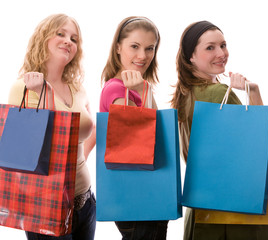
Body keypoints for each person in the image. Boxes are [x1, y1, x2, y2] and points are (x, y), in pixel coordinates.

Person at [171, 20, 268, 240]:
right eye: (210, 47)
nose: (221, 53)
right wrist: (254, 92)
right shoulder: (217, 93)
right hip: (237, 212)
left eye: (223, 45)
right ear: (191, 56)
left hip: (202, 210)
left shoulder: (185, 94)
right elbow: (261, 144)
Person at [8, 14, 96, 240]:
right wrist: (44, 93)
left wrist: (79, 161)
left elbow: (89, 130)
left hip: (85, 202)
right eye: (61, 34)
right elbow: (32, 148)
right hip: (46, 205)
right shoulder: (24, 88)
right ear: (43, 38)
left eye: (74, 38)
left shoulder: (78, 88)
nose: (68, 41)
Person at [99, 16, 168, 240]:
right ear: (118, 47)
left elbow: (157, 130)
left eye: (150, 48)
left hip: (142, 195)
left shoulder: (136, 88)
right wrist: (144, 90)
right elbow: (142, 142)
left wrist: (144, 90)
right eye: (135, 47)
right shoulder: (118, 91)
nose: (143, 56)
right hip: (138, 198)